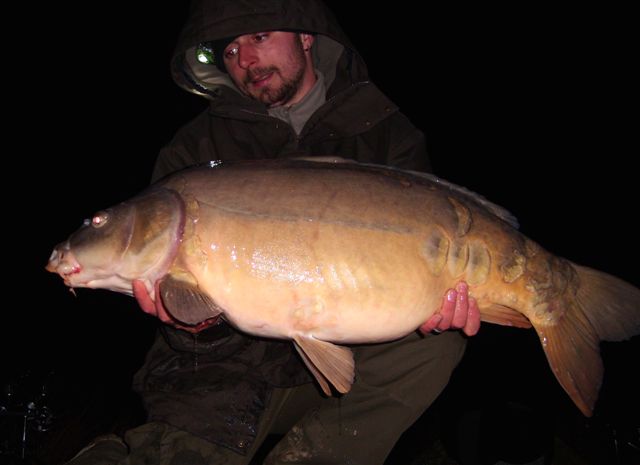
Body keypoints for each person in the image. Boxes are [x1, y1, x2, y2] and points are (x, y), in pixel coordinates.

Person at [66, 1, 480, 464]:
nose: (243, 60)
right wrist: (196, 326)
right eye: (229, 52)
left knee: (437, 344)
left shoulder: (384, 132)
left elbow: (427, 248)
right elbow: (185, 330)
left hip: (349, 371)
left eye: (258, 37)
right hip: (225, 379)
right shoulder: (194, 150)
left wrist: (432, 298)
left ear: (306, 35)